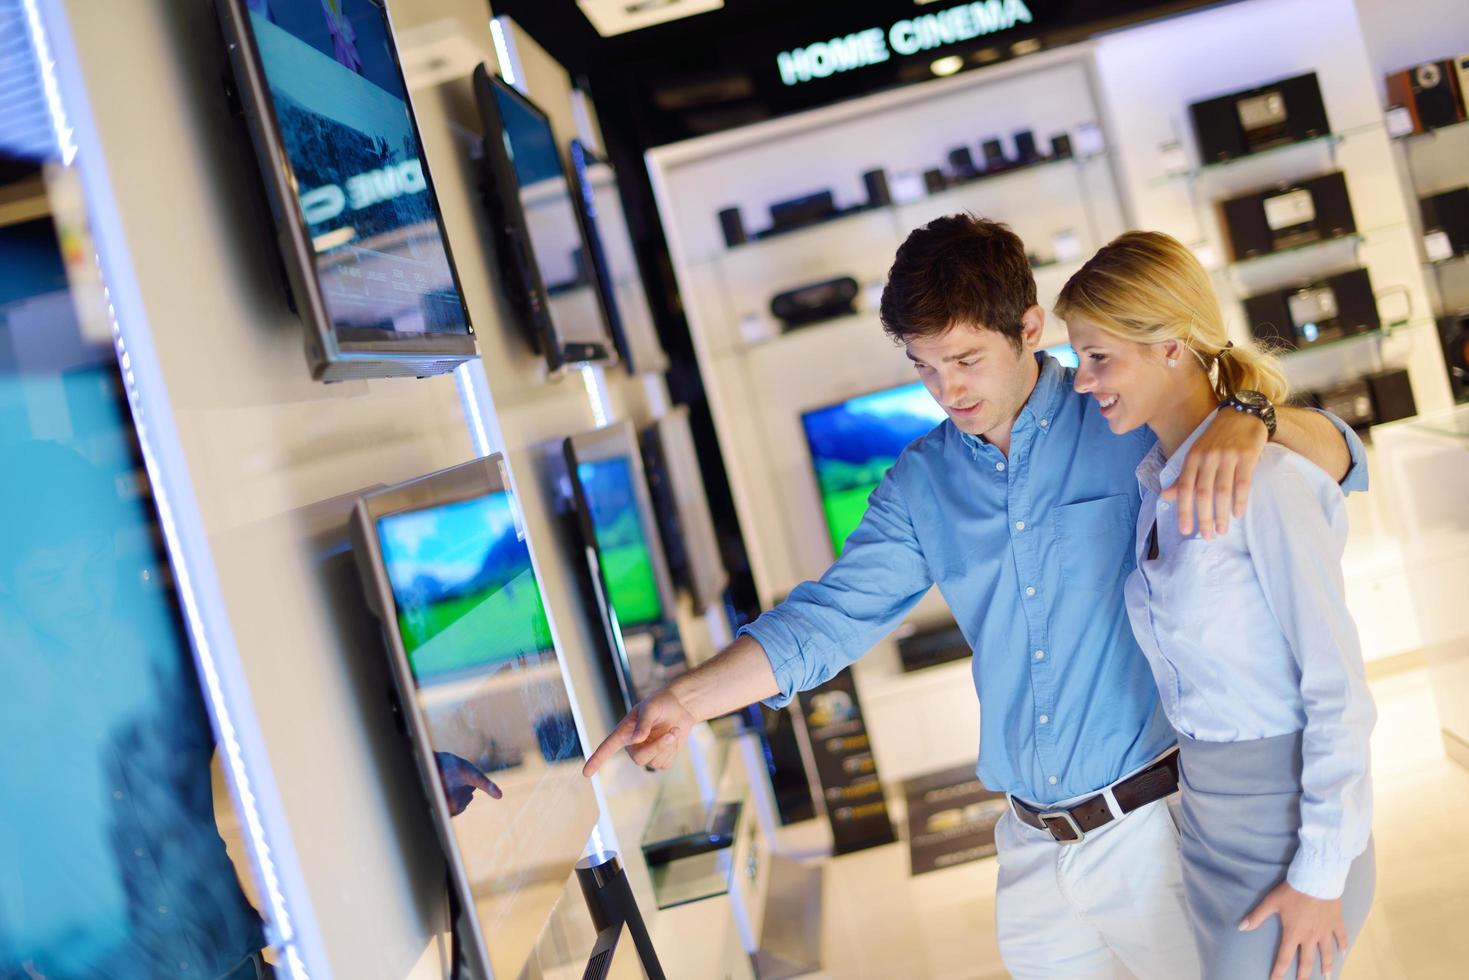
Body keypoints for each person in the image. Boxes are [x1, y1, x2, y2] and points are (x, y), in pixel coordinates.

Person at [584, 215, 1368, 977]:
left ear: (1028, 328)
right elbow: (827, 620)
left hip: (1155, 828)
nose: (944, 389)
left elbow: (1340, 459)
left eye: (963, 359)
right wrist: (687, 701)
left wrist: (1250, 416)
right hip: (1028, 849)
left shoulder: (1122, 413)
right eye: (923, 366)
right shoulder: (921, 482)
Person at [1057, 231, 1375, 980]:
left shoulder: (1265, 482)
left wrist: (1319, 873)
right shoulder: (1151, 485)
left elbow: (1339, 691)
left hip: (1288, 824)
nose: (1080, 382)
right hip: (1205, 817)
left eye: (1097, 357)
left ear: (1171, 345)